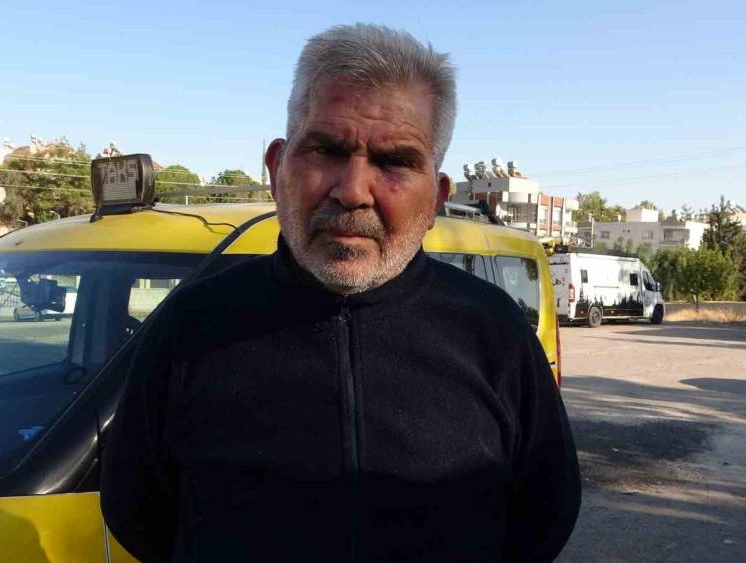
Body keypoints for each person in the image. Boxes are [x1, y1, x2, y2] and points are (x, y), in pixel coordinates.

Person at [101, 23, 581, 562]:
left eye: (395, 161)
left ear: (436, 198)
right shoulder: (190, 326)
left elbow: (543, 517)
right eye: (326, 150)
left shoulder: (493, 332)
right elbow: (137, 512)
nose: (353, 191)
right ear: (276, 168)